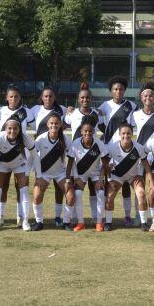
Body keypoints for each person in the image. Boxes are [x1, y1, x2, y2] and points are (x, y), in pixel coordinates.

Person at [0, 114, 41, 232]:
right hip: (0, 164)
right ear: (5, 128)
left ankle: (25, 221)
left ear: (19, 129)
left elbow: (35, 156)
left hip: (19, 164)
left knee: (24, 190)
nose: (12, 131)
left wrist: (38, 176)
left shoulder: (25, 138)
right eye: (9, 128)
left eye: (15, 128)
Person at [0, 84, 35, 227]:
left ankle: (20, 216)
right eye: (11, 96)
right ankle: (0, 216)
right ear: (6, 98)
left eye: (16, 96)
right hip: (2, 153)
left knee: (20, 187)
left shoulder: (27, 112)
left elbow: (37, 128)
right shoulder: (0, 111)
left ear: (20, 97)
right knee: (2, 187)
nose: (14, 99)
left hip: (20, 155)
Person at [98, 75, 138, 227]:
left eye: (121, 89)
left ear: (124, 90)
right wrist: (109, 135)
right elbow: (101, 126)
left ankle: (127, 215)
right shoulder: (104, 107)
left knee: (126, 184)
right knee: (109, 184)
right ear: (111, 91)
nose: (118, 91)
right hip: (109, 150)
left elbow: (133, 126)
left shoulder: (132, 106)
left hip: (126, 150)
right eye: (115, 89)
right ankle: (105, 217)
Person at [30, 86, 69, 227]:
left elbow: (72, 117)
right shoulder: (34, 109)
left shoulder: (62, 110)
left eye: (51, 96)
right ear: (41, 97)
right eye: (45, 96)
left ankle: (59, 218)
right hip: (42, 155)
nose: (48, 98)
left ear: (54, 97)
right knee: (38, 192)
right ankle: (38, 221)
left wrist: (71, 110)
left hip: (57, 152)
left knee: (61, 191)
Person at [64, 86, 101, 225]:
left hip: (92, 155)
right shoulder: (72, 114)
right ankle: (74, 218)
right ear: (78, 99)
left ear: (91, 99)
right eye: (82, 97)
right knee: (75, 187)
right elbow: (61, 125)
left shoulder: (96, 114)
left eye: (87, 97)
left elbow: (103, 128)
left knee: (93, 187)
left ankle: (94, 217)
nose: (85, 99)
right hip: (77, 156)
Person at [65, 120, 110, 232]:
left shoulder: (99, 144)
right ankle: (81, 223)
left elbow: (105, 164)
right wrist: (74, 178)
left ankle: (99, 222)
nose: (87, 133)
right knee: (78, 193)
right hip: (81, 174)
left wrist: (101, 179)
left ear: (93, 132)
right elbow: (70, 162)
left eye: (90, 131)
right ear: (81, 132)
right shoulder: (75, 143)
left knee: (100, 193)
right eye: (85, 131)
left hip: (96, 173)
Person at [105, 123, 151, 231]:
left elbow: (145, 164)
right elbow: (105, 165)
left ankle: (144, 223)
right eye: (123, 133)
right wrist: (109, 180)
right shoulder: (113, 147)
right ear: (119, 134)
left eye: (129, 133)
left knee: (141, 194)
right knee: (110, 196)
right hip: (117, 176)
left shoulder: (139, 147)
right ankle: (108, 222)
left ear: (132, 134)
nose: (126, 136)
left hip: (133, 176)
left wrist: (142, 176)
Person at [133, 82, 154, 228]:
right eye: (145, 95)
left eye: (151, 95)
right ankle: (138, 215)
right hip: (140, 156)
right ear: (141, 97)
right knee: (139, 185)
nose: (148, 98)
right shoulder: (134, 115)